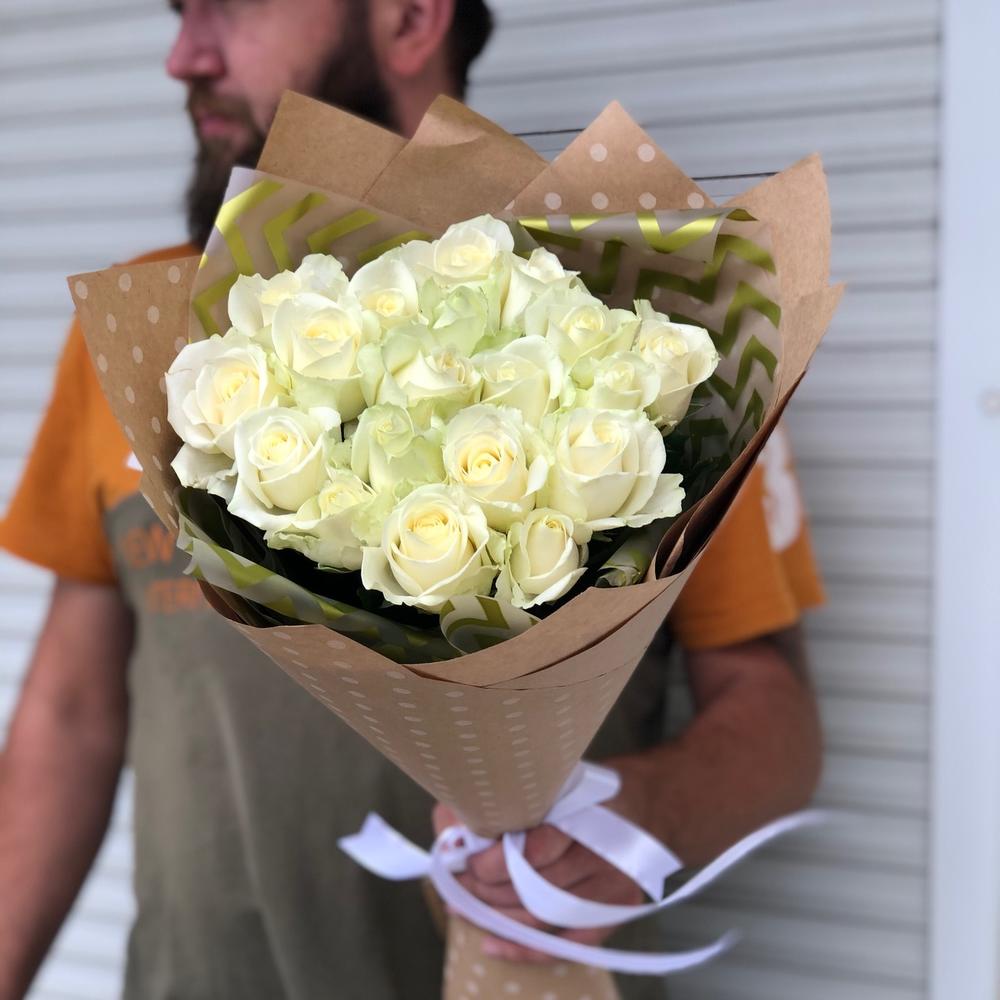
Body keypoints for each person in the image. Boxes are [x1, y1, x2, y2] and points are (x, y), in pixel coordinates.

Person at [0, 1, 824, 997]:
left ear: (409, 18)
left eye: (232, 4)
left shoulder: (632, 340)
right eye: (180, 11)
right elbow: (70, 715)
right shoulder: (146, 341)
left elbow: (772, 713)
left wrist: (640, 815)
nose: (184, 55)